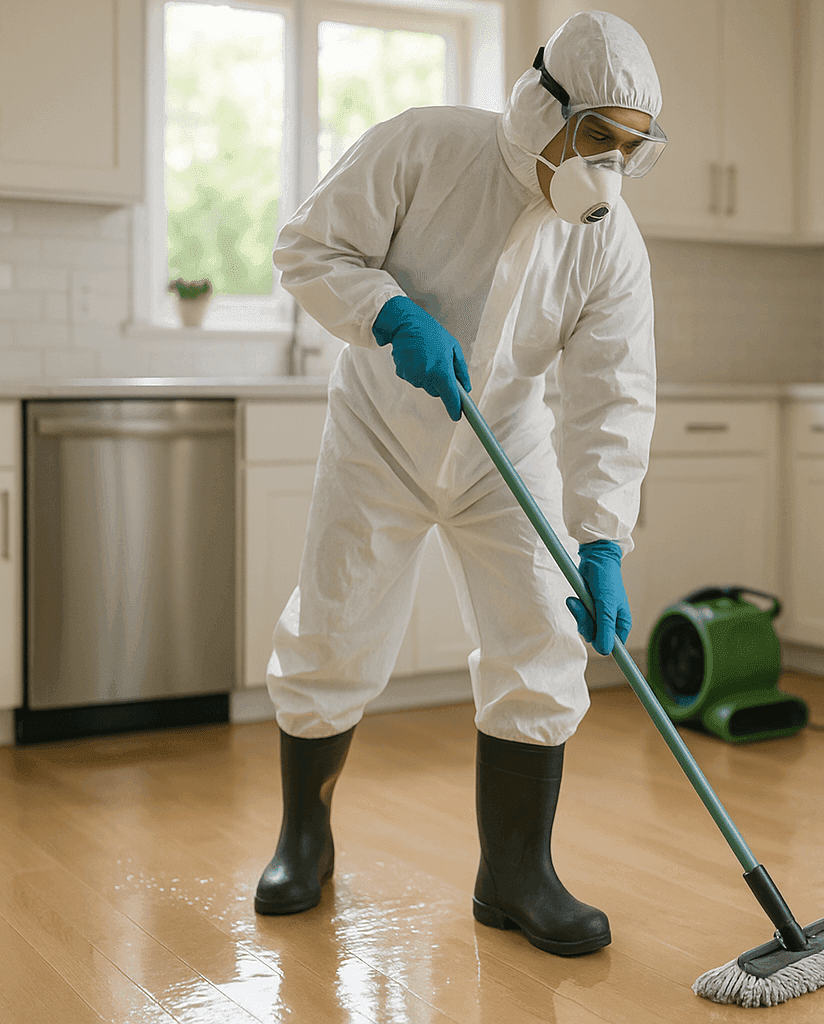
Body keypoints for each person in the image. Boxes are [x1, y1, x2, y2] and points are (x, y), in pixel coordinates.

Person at [253, 11, 665, 957]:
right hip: (379, 431)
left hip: (502, 445)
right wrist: (390, 313)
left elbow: (613, 392)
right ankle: (303, 839)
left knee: (539, 636)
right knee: (335, 624)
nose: (608, 166)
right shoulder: (424, 146)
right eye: (597, 137)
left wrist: (601, 540)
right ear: (540, 103)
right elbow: (306, 248)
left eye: (628, 150)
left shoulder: (610, 242)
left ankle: (515, 875)